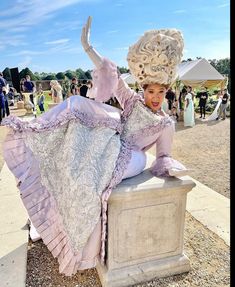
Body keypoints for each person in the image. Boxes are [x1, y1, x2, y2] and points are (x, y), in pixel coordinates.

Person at [1, 16, 188, 276]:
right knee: (78, 113)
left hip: (132, 157)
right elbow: (112, 74)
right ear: (144, 90)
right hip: (109, 145)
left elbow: (164, 155)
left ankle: (78, 244)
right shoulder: (132, 102)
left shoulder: (166, 123)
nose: (156, 97)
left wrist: (169, 167)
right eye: (151, 91)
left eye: (161, 92)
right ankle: (48, 214)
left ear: (167, 92)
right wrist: (89, 48)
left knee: (93, 176)